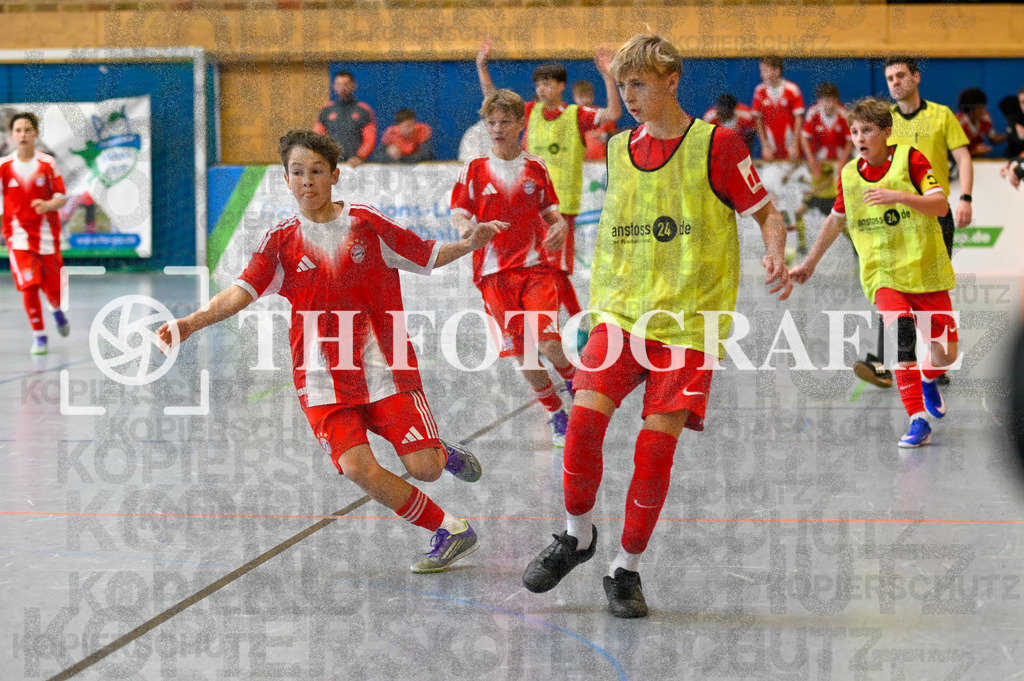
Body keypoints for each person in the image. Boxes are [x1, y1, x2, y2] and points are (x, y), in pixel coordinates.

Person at [521, 34, 791, 618]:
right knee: (584, 426)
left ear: (672, 81)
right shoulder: (618, 149)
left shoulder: (717, 145)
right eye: (623, 86)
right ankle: (577, 534)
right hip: (619, 314)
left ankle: (626, 569)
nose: (630, 96)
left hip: (690, 325)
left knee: (652, 452)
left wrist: (775, 252)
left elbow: (769, 214)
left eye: (639, 84)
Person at [156, 130, 502, 573]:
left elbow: (427, 254)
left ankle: (441, 453)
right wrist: (188, 324)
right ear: (285, 180)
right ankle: (449, 529)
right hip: (320, 379)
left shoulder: (367, 223)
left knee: (425, 469)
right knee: (359, 468)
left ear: (335, 176)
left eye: (317, 171)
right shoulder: (279, 241)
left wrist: (470, 244)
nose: (307, 181)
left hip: (385, 367)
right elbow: (240, 293)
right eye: (297, 172)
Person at [790, 98, 958, 448]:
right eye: (854, 131)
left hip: (926, 270)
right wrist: (809, 263)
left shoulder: (911, 159)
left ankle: (928, 378)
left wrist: (898, 195)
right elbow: (837, 219)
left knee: (947, 353)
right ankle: (917, 419)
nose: (859, 137)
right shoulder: (849, 175)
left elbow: (940, 204)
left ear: (886, 132)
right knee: (903, 336)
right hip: (882, 274)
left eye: (867, 130)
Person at [451, 89, 575, 447]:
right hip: (493, 276)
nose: (498, 128)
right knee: (522, 353)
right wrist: (467, 229)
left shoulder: (535, 167)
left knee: (549, 343)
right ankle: (556, 413)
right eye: (491, 122)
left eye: (505, 121)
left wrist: (559, 226)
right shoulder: (474, 170)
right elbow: (460, 211)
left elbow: (551, 211)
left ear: (520, 123)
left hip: (535, 269)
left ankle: (576, 385)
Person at [476, 40, 622, 323]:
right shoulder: (528, 112)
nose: (541, 89)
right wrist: (482, 66)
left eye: (547, 83)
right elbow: (493, 100)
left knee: (555, 269)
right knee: (540, 267)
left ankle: (573, 323)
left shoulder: (576, 116)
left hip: (560, 210)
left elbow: (614, 114)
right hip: (527, 206)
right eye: (538, 84)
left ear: (560, 87)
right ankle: (557, 323)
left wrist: (607, 75)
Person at [852, 57, 973, 389]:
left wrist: (966, 197)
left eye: (901, 75)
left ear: (916, 78)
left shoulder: (941, 115)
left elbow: (963, 157)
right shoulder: (884, 121)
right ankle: (881, 362)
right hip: (893, 220)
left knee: (929, 290)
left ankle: (934, 362)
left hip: (933, 217)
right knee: (888, 287)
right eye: (890, 77)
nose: (895, 82)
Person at [1, 112, 70, 355]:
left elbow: (61, 197)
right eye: (18, 130)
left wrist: (48, 205)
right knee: (29, 286)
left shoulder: (47, 164)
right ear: (12, 135)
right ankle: (39, 335)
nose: (23, 134)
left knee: (53, 291)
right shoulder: (4, 167)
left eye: (27, 130)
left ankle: (56, 310)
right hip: (17, 237)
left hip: (48, 236)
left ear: (36, 134)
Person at [792, 82, 853, 256]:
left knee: (837, 219)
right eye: (822, 100)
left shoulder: (844, 114)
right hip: (819, 161)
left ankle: (855, 245)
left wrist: (842, 161)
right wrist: (811, 159)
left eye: (829, 100)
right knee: (803, 213)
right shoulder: (813, 113)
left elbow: (849, 141)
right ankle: (802, 245)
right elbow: (804, 139)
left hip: (836, 162)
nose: (826, 104)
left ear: (836, 100)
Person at [313, 71, 376, 167]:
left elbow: (369, 139)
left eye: (346, 84)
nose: (342, 88)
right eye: (338, 84)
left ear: (353, 85)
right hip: (331, 164)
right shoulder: (326, 110)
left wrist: (359, 157)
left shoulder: (364, 110)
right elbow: (317, 138)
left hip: (355, 165)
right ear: (333, 86)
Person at [752, 55, 805, 161]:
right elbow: (758, 120)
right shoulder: (759, 91)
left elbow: (799, 119)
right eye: (761, 71)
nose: (761, 74)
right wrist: (765, 146)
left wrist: (794, 144)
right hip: (771, 147)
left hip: (790, 146)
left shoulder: (792, 90)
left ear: (777, 71)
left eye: (765, 71)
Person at [571, 80, 617, 160]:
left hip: (601, 162)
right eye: (581, 97)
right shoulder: (570, 117)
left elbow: (615, 141)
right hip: (578, 162)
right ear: (574, 97)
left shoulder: (604, 116)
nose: (585, 100)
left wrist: (603, 136)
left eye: (588, 96)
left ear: (593, 95)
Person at [956, 88, 1004, 157]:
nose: (983, 110)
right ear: (969, 108)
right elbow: (954, 153)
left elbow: (993, 138)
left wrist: (1010, 135)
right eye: (979, 107)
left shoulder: (985, 118)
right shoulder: (959, 122)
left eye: (983, 106)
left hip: (979, 160)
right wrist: (974, 152)